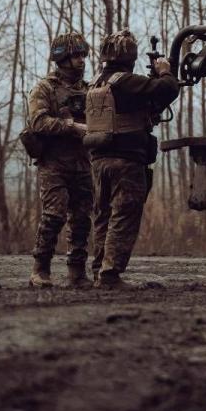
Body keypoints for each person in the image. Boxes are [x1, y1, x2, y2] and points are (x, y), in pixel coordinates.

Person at [84, 30, 180, 289]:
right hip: (125, 161)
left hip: (99, 160)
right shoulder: (125, 82)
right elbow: (168, 89)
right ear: (130, 55)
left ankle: (99, 270)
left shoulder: (96, 83)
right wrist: (164, 70)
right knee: (124, 215)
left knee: (103, 216)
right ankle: (110, 274)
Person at [26, 32, 94, 289]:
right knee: (54, 215)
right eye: (75, 56)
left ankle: (77, 272)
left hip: (82, 161)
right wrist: (70, 127)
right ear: (62, 58)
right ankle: (40, 269)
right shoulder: (45, 88)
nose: (80, 61)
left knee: (82, 218)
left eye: (83, 55)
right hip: (54, 162)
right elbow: (37, 121)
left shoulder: (90, 90)